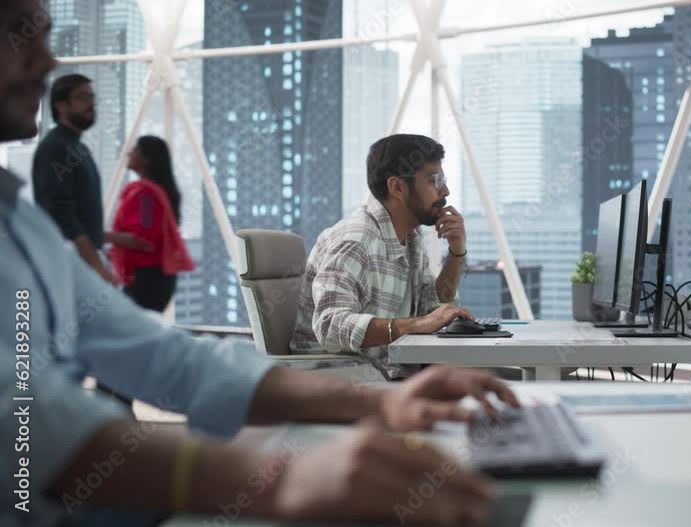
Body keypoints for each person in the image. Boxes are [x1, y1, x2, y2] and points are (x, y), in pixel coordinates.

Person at [1, 2, 514, 525]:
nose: (48, 60)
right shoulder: (354, 239)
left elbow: (166, 356)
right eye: (17, 33)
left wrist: (379, 406)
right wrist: (282, 477)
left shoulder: (24, 228)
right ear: (398, 187)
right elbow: (28, 429)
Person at [291, 134, 472, 378]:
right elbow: (330, 324)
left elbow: (430, 307)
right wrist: (416, 325)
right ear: (397, 187)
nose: (445, 190)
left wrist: (456, 252)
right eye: (434, 180)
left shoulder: (410, 237)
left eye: (443, 180)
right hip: (340, 378)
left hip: (384, 371)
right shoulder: (357, 241)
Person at [32, 73, 150, 285]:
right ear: (60, 105)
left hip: (77, 262)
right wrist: (97, 267)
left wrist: (112, 239)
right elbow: (62, 215)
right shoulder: (57, 148)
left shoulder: (76, 147)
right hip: (69, 265)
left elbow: (79, 215)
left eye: (92, 97)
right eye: (82, 97)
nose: (91, 103)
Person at [109, 135, 194, 311]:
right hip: (149, 278)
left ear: (146, 159)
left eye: (135, 149)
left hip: (147, 280)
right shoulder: (150, 191)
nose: (129, 153)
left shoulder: (145, 195)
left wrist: (100, 236)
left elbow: (144, 239)